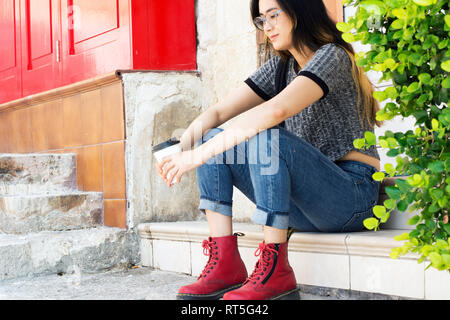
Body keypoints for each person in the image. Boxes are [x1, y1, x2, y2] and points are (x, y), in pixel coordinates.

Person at [155, 0, 383, 300]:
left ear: (301, 10)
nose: (268, 26)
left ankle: (276, 269)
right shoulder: (281, 66)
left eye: (274, 15)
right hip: (306, 207)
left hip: (352, 199)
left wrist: (197, 156)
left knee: (267, 137)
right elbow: (218, 112)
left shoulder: (333, 57)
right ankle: (225, 262)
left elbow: (275, 112)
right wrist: (180, 150)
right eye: (262, 20)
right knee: (210, 136)